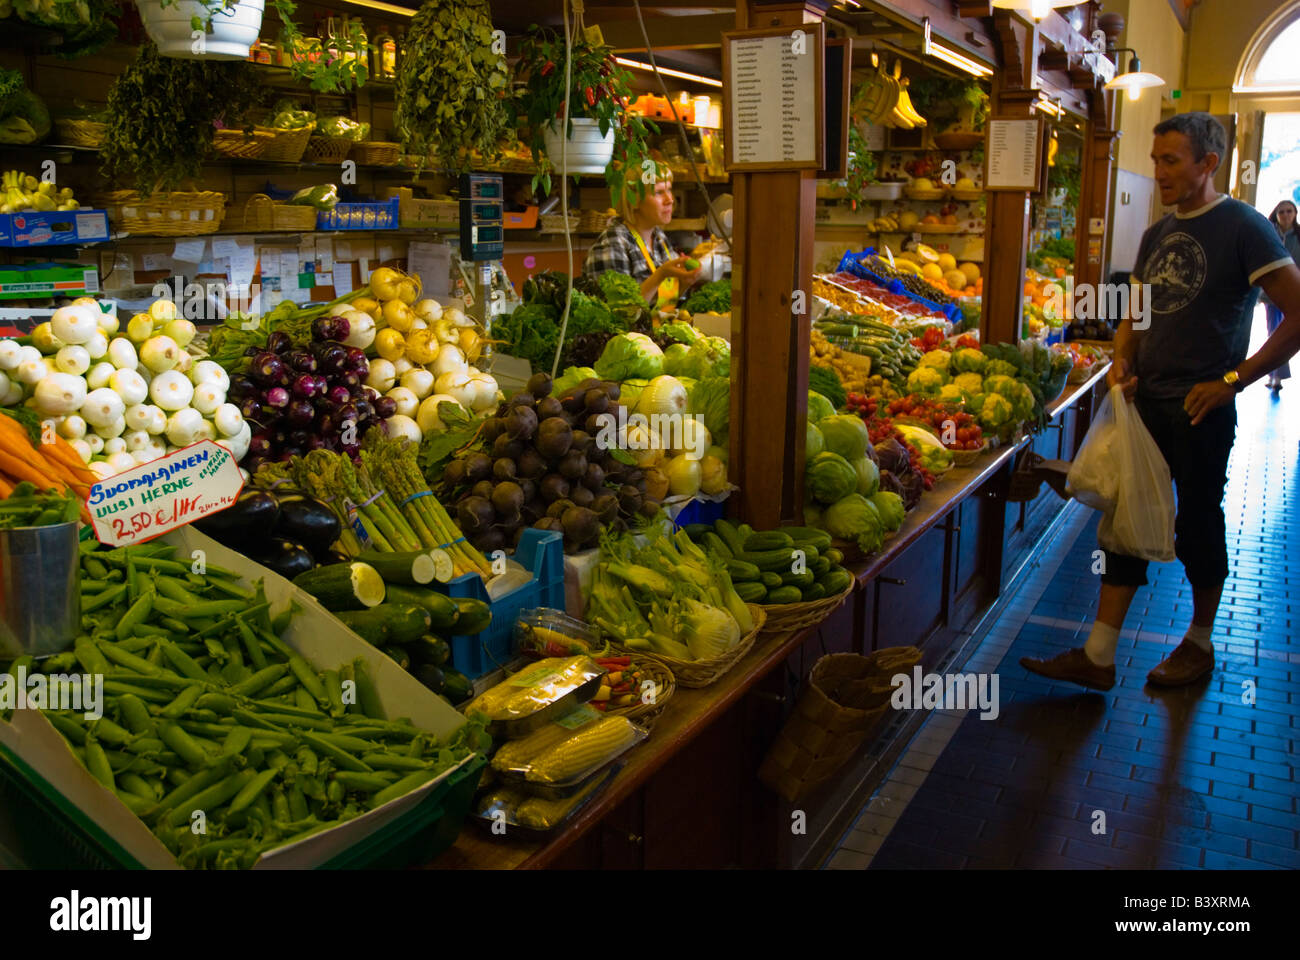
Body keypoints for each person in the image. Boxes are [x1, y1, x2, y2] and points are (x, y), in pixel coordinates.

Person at [1021, 113, 1300, 692]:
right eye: (1155, 160)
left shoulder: (1245, 228)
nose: (1160, 172)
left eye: (1171, 160)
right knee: (1126, 518)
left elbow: (1297, 314)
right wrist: (1121, 358)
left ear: (1209, 163)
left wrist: (1235, 379)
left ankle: (1199, 643)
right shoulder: (1156, 234)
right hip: (1145, 402)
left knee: (1197, 523)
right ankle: (1099, 656)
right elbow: (1135, 316)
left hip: (1202, 409)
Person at [583, 163, 701, 310]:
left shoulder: (659, 237)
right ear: (634, 200)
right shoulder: (613, 243)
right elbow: (619, 313)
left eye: (669, 190)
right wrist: (660, 275)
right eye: (659, 192)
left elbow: (662, 302)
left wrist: (685, 282)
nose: (670, 199)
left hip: (659, 331)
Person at [1261, 200, 1299, 390]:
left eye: (1289, 211)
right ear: (1276, 214)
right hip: (1271, 293)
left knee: (1286, 334)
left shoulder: (1299, 237)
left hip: (1293, 293)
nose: (1286, 215)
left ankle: (1277, 375)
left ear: (1295, 213)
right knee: (1273, 333)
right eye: (1282, 212)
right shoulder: (1268, 234)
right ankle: (1275, 376)